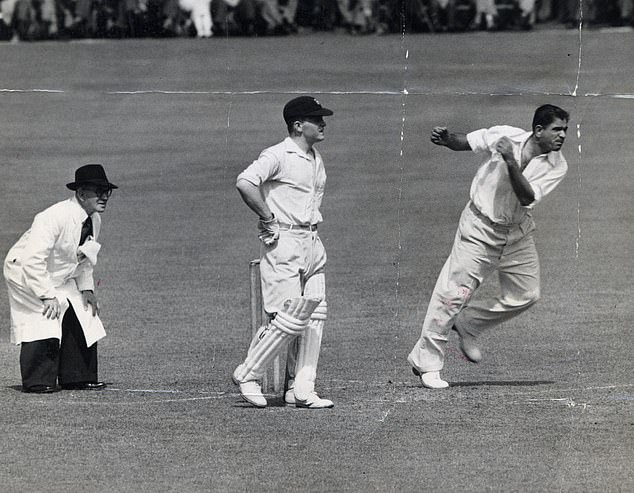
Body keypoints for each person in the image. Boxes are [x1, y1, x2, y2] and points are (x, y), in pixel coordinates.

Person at [408, 104, 569, 389]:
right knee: (452, 294)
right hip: (479, 228)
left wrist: (510, 161)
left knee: (527, 294)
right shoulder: (505, 135)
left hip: (517, 233)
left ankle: (469, 324)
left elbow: (526, 197)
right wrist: (447, 139)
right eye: (557, 129)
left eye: (565, 130)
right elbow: (467, 141)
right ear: (538, 130)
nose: (562, 136)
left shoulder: (558, 165)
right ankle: (427, 364)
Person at [232, 96, 335, 409]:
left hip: (312, 242)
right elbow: (246, 182)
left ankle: (301, 389)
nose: (323, 124)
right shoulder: (278, 154)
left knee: (315, 313)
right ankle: (248, 373)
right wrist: (268, 217)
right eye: (317, 119)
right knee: (288, 318)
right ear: (298, 125)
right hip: (284, 242)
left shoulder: (316, 158)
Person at [4, 164, 117, 393]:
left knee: (83, 312)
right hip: (24, 272)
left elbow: (85, 257)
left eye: (107, 192)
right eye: (99, 191)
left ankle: (77, 376)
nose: (104, 197)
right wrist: (46, 296)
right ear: (81, 193)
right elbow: (32, 260)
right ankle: (38, 381)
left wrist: (87, 290)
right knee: (44, 317)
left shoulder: (94, 220)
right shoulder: (52, 217)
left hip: (56, 275)